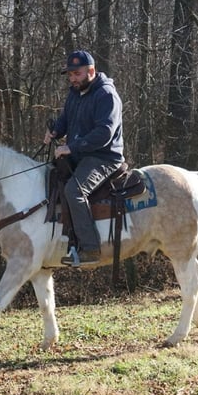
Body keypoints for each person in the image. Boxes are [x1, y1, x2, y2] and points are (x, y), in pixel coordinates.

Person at [44, 50, 125, 267]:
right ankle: (63, 241)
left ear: (91, 70)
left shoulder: (106, 94)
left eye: (77, 74)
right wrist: (55, 132)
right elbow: (65, 119)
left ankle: (90, 249)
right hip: (80, 154)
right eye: (70, 75)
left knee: (74, 190)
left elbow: (104, 133)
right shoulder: (75, 93)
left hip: (104, 157)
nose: (72, 79)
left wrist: (71, 147)